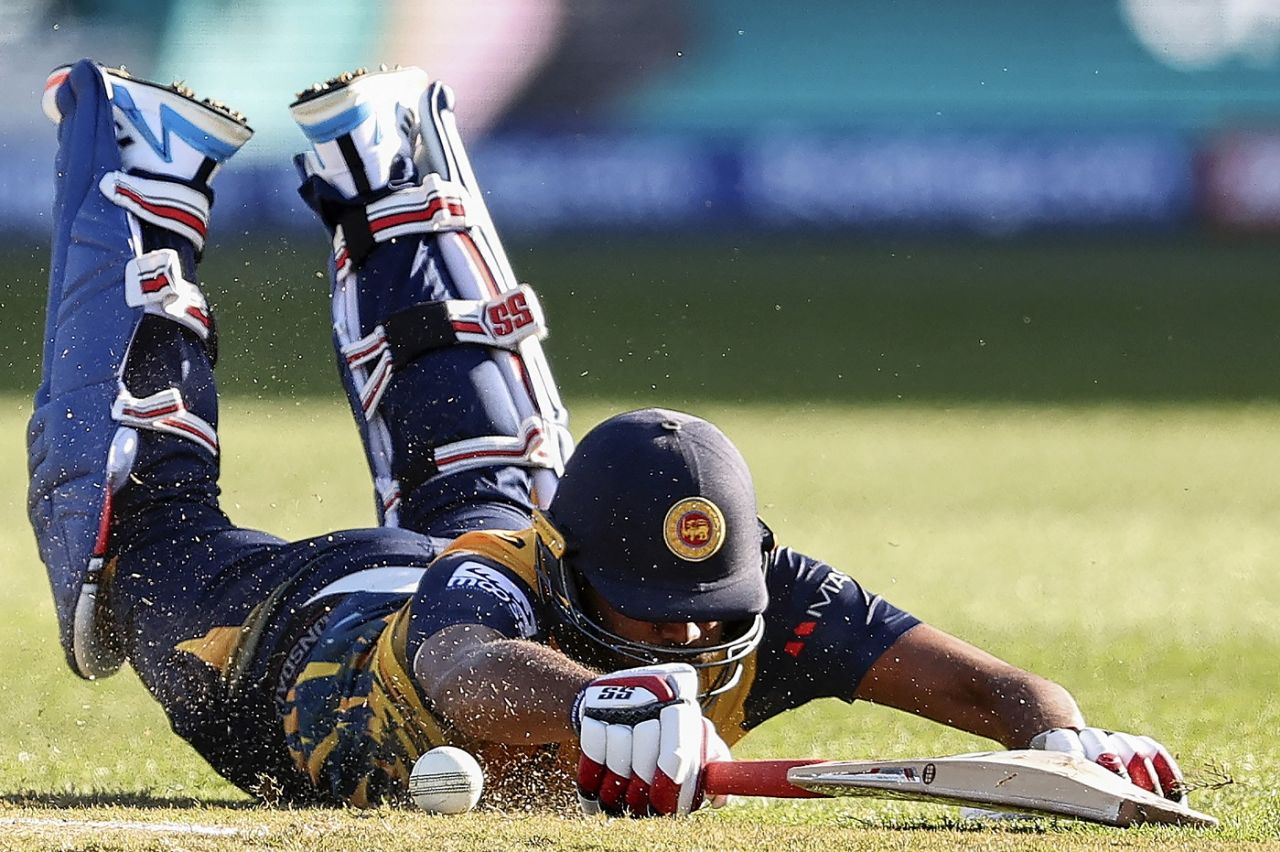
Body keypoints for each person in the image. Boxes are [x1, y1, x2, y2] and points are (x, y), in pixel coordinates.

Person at [29, 59, 1190, 816]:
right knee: (130, 542)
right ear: (568, 567)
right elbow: (466, 671)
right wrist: (597, 702)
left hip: (477, 547)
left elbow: (998, 691)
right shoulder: (491, 596)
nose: (683, 639)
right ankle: (140, 160)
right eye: (648, 608)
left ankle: (386, 163)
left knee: (489, 479)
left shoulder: (755, 596)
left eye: (706, 612)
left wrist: (1065, 740)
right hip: (281, 637)